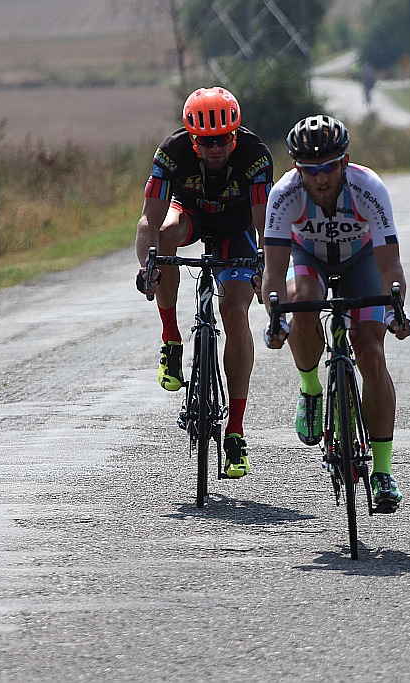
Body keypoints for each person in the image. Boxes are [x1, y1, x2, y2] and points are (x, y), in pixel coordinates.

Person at [261, 114, 410, 513]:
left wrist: (396, 309)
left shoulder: (369, 188)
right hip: (308, 258)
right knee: (302, 302)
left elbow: (389, 266)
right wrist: (276, 318)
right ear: (298, 169)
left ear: (345, 162)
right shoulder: (285, 194)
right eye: (311, 171)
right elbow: (274, 272)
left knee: (371, 352)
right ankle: (311, 387)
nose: (322, 178)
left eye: (330, 167)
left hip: (360, 261)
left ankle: (382, 471)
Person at [135, 86, 274, 479]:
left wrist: (265, 265)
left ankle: (235, 431)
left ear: (235, 134)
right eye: (206, 143)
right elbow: (149, 219)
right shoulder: (172, 153)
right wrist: (148, 267)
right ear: (191, 139)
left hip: (238, 229)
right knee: (164, 237)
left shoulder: (255, 156)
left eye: (223, 141)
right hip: (190, 215)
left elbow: (265, 222)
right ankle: (171, 339)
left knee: (234, 313)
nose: (215, 150)